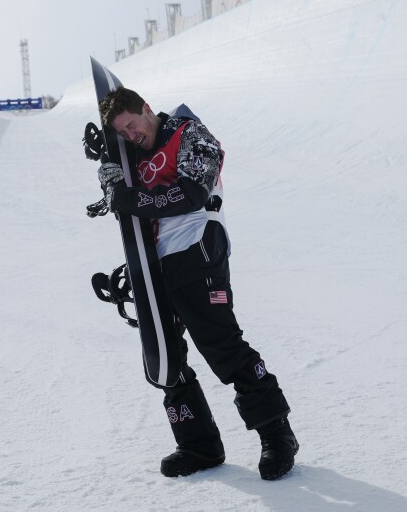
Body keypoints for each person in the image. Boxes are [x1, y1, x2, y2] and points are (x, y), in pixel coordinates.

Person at [96, 86, 299, 480]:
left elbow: (190, 193)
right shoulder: (130, 156)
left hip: (197, 247)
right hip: (154, 263)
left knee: (221, 344)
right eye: (121, 133)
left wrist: (127, 197)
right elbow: (119, 198)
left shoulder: (189, 132)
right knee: (165, 356)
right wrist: (109, 177)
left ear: (146, 108)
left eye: (132, 125)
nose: (131, 136)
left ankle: (277, 435)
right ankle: (198, 444)